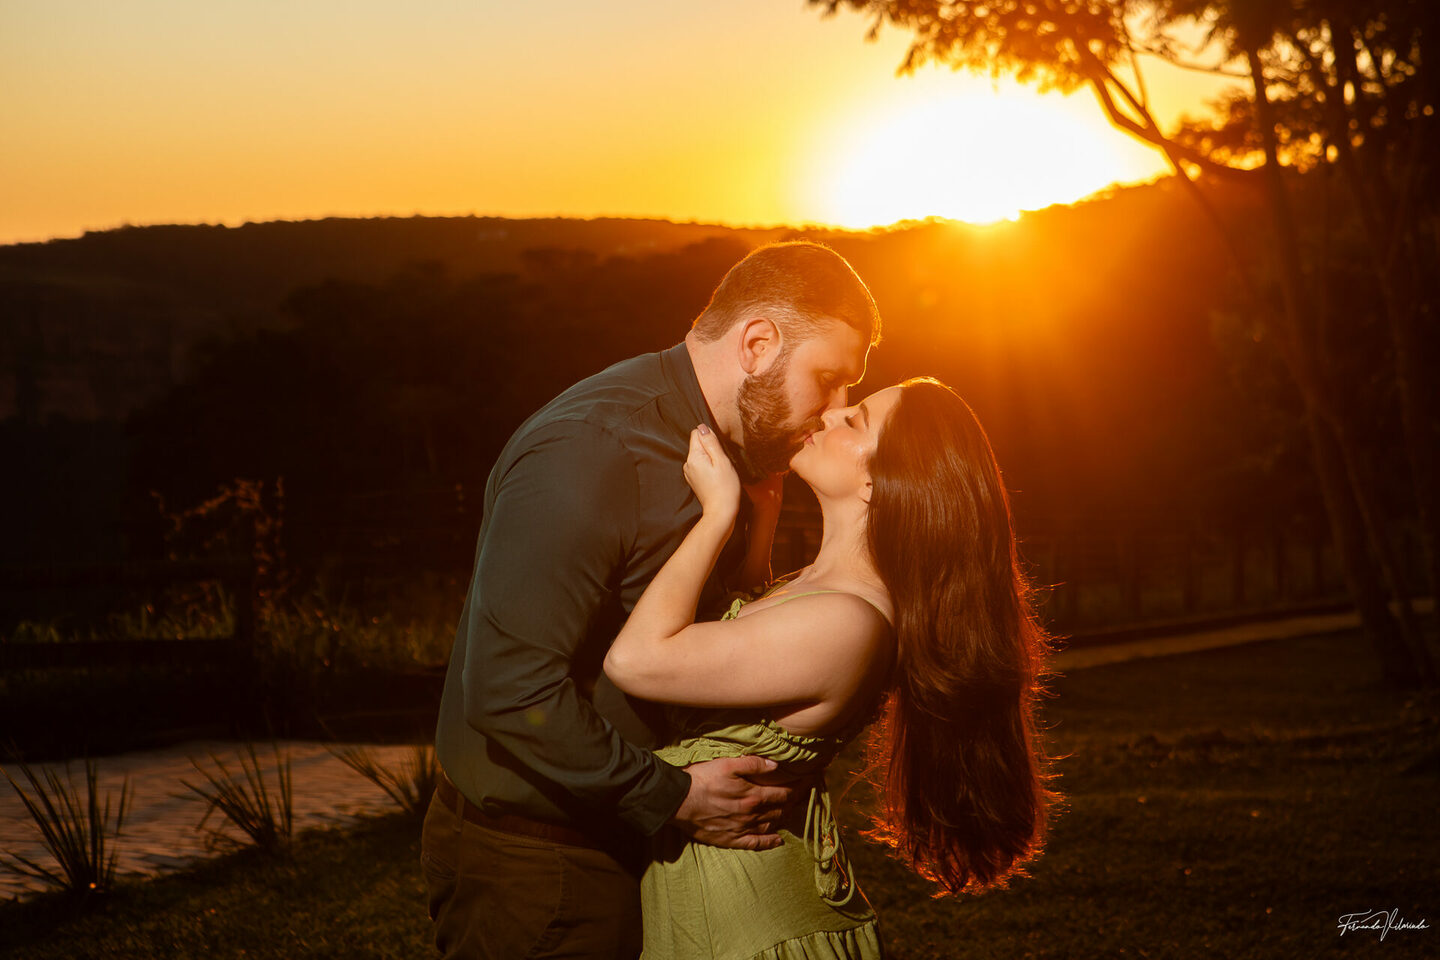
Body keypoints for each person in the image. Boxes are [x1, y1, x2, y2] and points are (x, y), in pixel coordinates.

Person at [422, 240, 882, 959]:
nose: (834, 409)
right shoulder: (596, 449)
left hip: (623, 847)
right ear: (758, 344)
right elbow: (509, 689)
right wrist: (672, 795)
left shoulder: (729, 450)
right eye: (827, 379)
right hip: (542, 867)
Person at [604, 378, 1063, 959]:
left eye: (856, 421)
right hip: (725, 914)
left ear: (881, 479)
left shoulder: (849, 622)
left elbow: (636, 659)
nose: (830, 414)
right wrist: (763, 518)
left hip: (752, 931)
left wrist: (717, 515)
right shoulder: (831, 592)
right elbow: (748, 644)